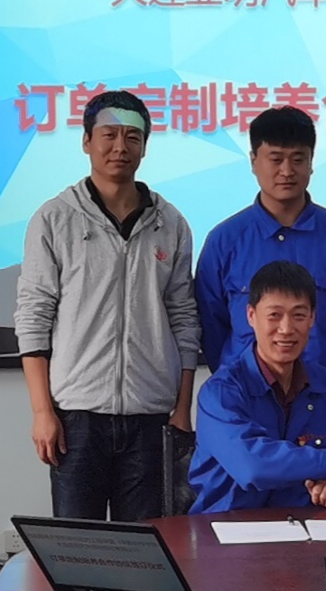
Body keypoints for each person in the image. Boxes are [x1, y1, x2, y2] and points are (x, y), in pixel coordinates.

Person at [15, 90, 200, 521]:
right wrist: (42, 412)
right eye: (109, 135)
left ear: (145, 147)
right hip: (76, 418)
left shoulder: (170, 224)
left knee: (148, 548)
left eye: (132, 137)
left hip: (151, 418)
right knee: (79, 549)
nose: (121, 146)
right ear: (86, 141)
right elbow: (34, 316)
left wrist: (182, 409)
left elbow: (184, 318)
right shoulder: (54, 218)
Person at [189, 261, 326, 513]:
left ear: (312, 318)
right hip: (226, 528)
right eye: (274, 315)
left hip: (310, 528)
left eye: (299, 315)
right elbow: (252, 466)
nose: (286, 329)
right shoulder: (220, 392)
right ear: (251, 316)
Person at [195, 107, 326, 407]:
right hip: (246, 403)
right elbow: (211, 327)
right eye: (276, 159)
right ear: (253, 161)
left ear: (311, 163)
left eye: (298, 159)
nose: (287, 171)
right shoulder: (225, 240)